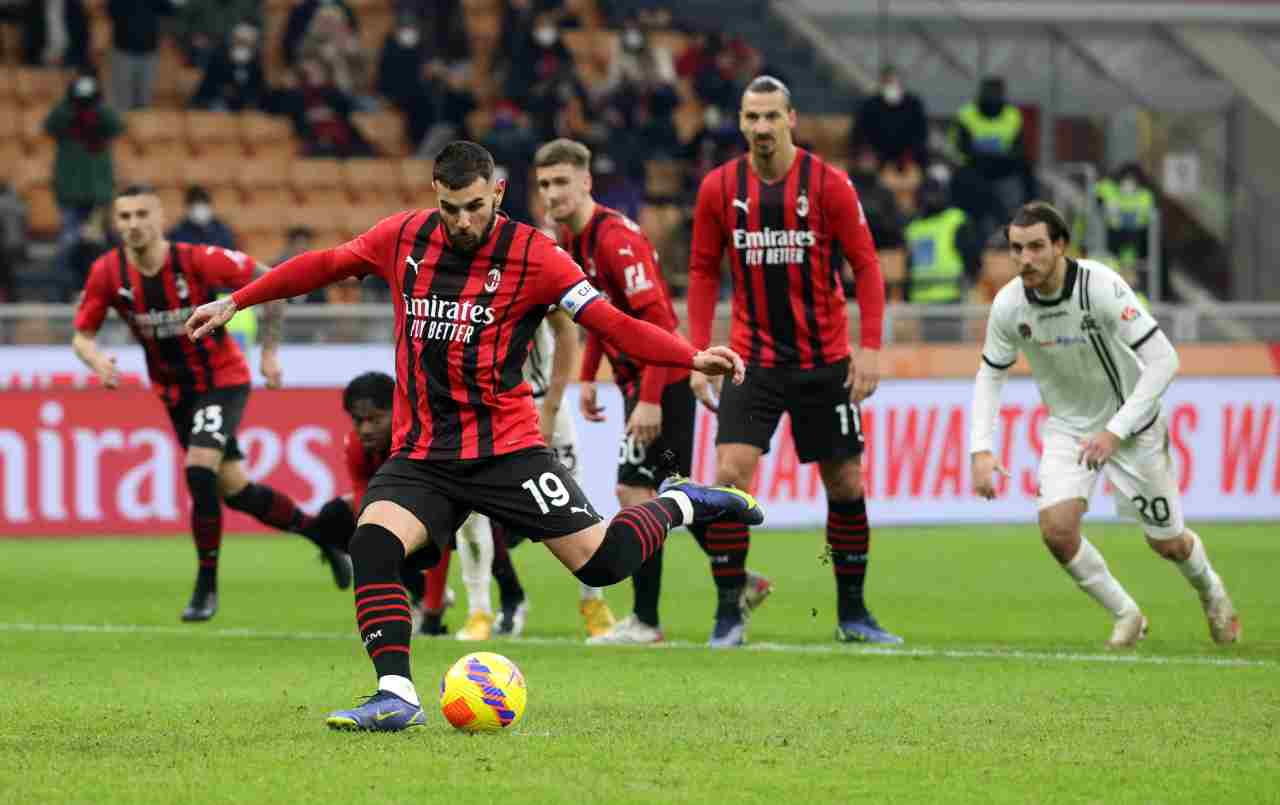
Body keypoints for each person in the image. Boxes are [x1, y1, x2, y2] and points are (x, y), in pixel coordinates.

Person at [183, 141, 763, 732]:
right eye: (452, 208)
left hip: (506, 450)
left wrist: (691, 355)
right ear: (435, 194)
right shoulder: (402, 237)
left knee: (603, 565)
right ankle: (395, 693)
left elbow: (610, 323)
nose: (463, 221)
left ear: (499, 194)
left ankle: (686, 500)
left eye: (476, 207)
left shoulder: (538, 256)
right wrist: (236, 299)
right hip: (425, 455)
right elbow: (326, 264)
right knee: (372, 544)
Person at [71, 185, 353, 622]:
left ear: (160, 218)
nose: (132, 225)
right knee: (236, 491)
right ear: (115, 223)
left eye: (141, 214)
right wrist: (95, 361)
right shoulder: (108, 273)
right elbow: (81, 335)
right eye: (123, 217)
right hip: (175, 394)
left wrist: (269, 351)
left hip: (222, 380)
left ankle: (205, 587)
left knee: (199, 468)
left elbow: (270, 283)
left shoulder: (197, 259)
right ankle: (324, 538)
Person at [970, 201, 1240, 649]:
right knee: (1057, 530)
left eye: (1036, 247)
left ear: (1060, 246)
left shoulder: (1101, 287)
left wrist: (1116, 431)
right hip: (1070, 429)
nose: (1025, 259)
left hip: (1132, 430)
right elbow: (989, 374)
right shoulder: (1008, 305)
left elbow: (1164, 360)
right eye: (1017, 249)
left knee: (1168, 543)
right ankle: (1127, 614)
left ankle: (1211, 590)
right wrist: (981, 448)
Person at [687, 76, 898, 647]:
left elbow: (868, 267)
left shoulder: (828, 185)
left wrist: (871, 345)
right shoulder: (718, 188)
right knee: (729, 476)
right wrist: (699, 348)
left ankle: (853, 613)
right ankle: (729, 611)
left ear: (791, 119)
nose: (760, 128)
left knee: (847, 481)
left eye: (770, 117)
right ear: (739, 121)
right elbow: (704, 271)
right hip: (750, 361)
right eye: (751, 117)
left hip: (824, 360)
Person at [535, 137, 772, 645]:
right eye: (544, 184)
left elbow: (660, 321)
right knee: (671, 496)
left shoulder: (615, 241)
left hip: (662, 384)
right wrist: (590, 374)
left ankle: (646, 620)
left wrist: (646, 398)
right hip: (638, 384)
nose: (552, 194)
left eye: (560, 182)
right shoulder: (573, 241)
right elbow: (602, 316)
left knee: (635, 494)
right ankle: (737, 579)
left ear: (585, 181)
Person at [451, 309, 618, 642]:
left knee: (573, 503)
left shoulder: (536, 259)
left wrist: (552, 408)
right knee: (468, 511)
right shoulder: (459, 266)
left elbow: (566, 330)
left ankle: (593, 603)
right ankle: (479, 611)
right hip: (482, 407)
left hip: (540, 402)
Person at [46, 72, 124, 300]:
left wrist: (98, 104)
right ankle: (62, 291)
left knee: (99, 247)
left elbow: (117, 125)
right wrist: (69, 101)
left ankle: (103, 291)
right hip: (70, 194)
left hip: (98, 195)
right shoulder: (66, 118)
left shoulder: (101, 119)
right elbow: (50, 124)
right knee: (67, 245)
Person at [853, 65, 928, 169]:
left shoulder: (913, 105)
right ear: (881, 84)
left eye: (894, 82)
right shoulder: (870, 105)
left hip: (908, 155)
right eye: (887, 83)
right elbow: (859, 132)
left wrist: (911, 153)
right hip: (878, 155)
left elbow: (921, 133)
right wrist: (867, 152)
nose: (891, 86)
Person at [190, 22, 268, 112]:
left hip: (245, 109)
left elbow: (260, 90)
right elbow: (208, 87)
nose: (242, 45)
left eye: (246, 42)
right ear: (233, 40)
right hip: (217, 104)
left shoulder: (256, 64)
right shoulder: (219, 59)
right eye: (239, 41)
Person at [169, 186, 238, 251]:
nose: (200, 208)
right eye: (195, 203)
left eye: (203, 202)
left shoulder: (223, 232)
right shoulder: (177, 233)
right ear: (188, 207)